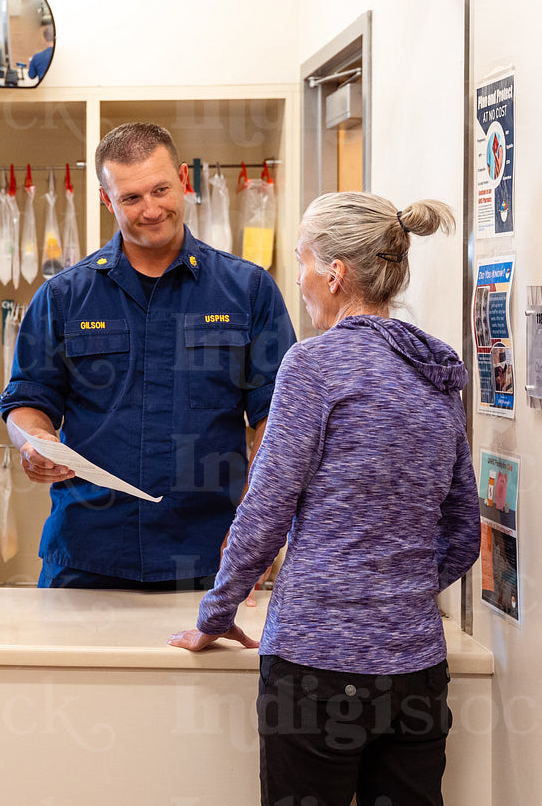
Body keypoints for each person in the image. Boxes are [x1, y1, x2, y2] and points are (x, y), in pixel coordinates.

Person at [169, 192, 481, 806]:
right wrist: (401, 590)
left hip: (316, 670)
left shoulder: (316, 364)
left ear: (334, 274)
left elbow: (265, 512)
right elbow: (465, 530)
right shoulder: (437, 370)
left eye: (303, 260)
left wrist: (217, 613)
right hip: (415, 672)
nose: (301, 278)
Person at [0, 122, 295, 590]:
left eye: (161, 189)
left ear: (183, 178)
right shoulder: (63, 297)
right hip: (86, 555)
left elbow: (277, 421)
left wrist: (256, 531)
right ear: (106, 199)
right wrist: (31, 441)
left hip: (209, 558)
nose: (151, 209)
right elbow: (27, 399)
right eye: (132, 198)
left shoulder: (248, 290)